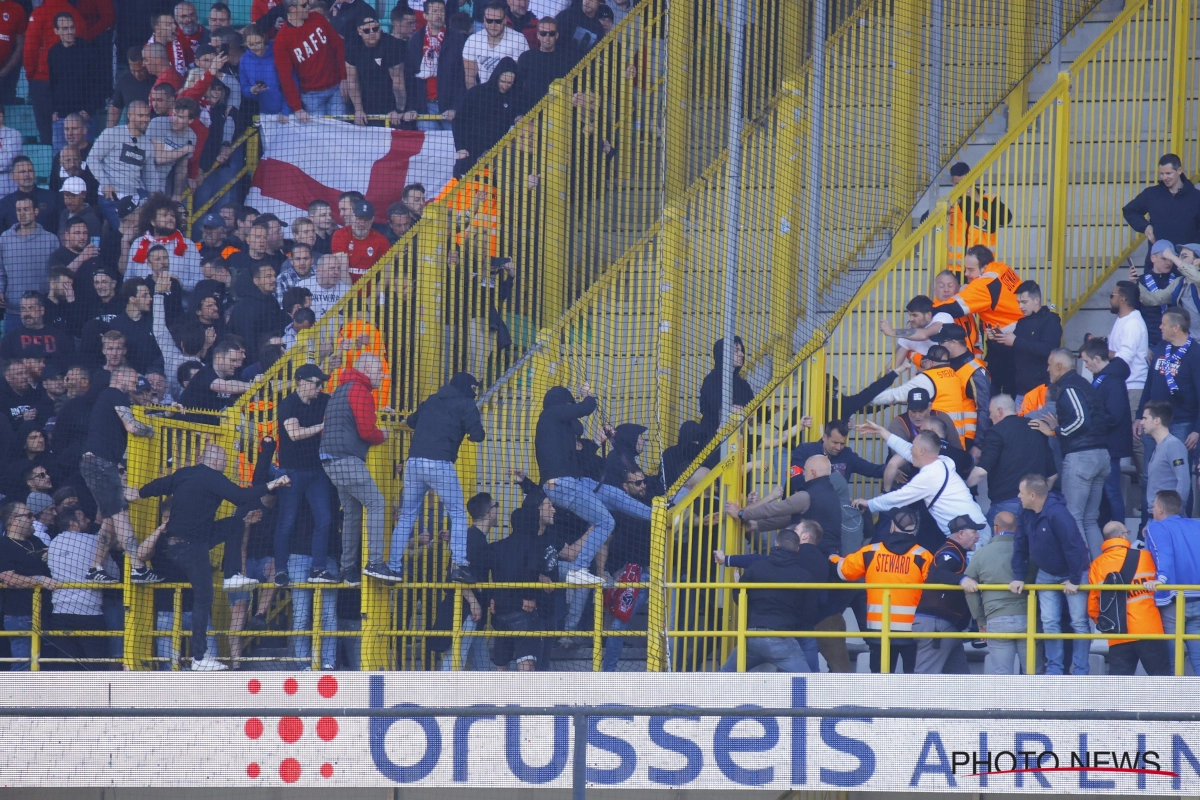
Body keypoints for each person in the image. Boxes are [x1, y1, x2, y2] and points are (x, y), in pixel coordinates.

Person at [137, 443, 290, 670]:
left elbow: (159, 485)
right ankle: (199, 658)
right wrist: (274, 483)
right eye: (225, 460)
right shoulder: (212, 476)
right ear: (216, 461)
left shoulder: (184, 474)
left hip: (185, 541)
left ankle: (232, 574)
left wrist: (137, 492)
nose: (227, 464)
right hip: (191, 545)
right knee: (204, 597)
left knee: (237, 523)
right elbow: (240, 496)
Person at [535, 383, 652, 584]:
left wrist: (600, 440)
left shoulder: (559, 434)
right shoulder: (550, 415)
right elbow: (585, 408)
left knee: (611, 494)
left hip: (576, 482)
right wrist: (587, 396)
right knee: (605, 522)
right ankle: (578, 569)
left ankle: (657, 515)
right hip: (562, 485)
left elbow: (581, 458)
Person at [392, 373, 484, 581]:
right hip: (440, 463)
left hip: (413, 463)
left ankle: (393, 566)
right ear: (465, 387)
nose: (475, 391)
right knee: (458, 513)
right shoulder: (466, 404)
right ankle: (459, 564)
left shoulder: (432, 400)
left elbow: (412, 421)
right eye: (473, 387)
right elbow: (478, 434)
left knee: (407, 515)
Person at [79, 365, 160, 584]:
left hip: (96, 464)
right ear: (121, 377)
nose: (135, 385)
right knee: (121, 515)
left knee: (110, 520)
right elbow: (132, 426)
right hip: (100, 464)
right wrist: (153, 431)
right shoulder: (114, 393)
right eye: (133, 381)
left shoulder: (111, 397)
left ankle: (95, 568)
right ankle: (138, 567)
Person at [321, 353, 393, 583]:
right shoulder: (360, 391)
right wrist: (384, 435)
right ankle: (375, 562)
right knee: (377, 503)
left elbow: (350, 421)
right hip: (347, 459)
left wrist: (380, 412)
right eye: (378, 370)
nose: (383, 376)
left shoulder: (342, 390)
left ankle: (348, 568)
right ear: (366, 369)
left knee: (352, 512)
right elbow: (366, 430)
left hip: (330, 460)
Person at [1031, 348, 1111, 557]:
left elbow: (1081, 420)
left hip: (1082, 457)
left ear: (1059, 366)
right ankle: (1099, 572)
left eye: (1049, 365)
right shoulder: (1084, 384)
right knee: (1090, 519)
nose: (1047, 369)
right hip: (1100, 455)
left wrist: (1056, 431)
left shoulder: (1069, 387)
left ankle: (1083, 574)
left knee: (1074, 517)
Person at [1010, 473, 1092, 675]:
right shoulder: (1024, 511)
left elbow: (1073, 547)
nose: (1018, 496)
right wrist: (1019, 575)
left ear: (1032, 496)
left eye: (1021, 493)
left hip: (1075, 572)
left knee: (1079, 622)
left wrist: (1074, 579)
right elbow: (1019, 544)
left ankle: (1081, 670)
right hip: (1046, 572)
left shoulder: (1058, 514)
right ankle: (1054, 669)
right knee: (1049, 622)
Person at [835, 506, 931, 673]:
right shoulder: (923, 556)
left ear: (892, 526)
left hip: (879, 630)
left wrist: (833, 557)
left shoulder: (871, 552)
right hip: (912, 631)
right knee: (916, 680)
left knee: (881, 681)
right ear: (914, 528)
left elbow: (845, 572)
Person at [717, 527, 820, 672]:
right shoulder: (803, 576)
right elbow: (808, 612)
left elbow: (741, 600)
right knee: (807, 682)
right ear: (797, 549)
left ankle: (712, 695)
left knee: (725, 675)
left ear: (776, 544)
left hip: (752, 636)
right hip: (781, 639)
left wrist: (737, 587)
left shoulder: (756, 567)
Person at [852, 427, 987, 536]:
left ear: (922, 451)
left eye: (914, 446)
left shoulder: (930, 476)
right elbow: (905, 449)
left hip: (972, 534)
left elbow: (898, 498)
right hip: (975, 529)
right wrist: (882, 431)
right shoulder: (942, 462)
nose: (911, 449)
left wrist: (869, 503)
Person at [273, 364, 337, 586]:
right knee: (287, 521)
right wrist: (322, 426)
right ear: (301, 381)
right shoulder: (288, 405)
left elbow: (345, 405)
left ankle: (318, 568)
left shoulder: (324, 400)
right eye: (316, 383)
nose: (320, 387)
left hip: (316, 469)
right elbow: (294, 434)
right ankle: (280, 570)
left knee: (325, 518)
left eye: (322, 383)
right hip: (292, 471)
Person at [1085, 520, 1169, 675]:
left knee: (1118, 689)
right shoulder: (1145, 557)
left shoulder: (1096, 565)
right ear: (1122, 536)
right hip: (1149, 630)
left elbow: (1093, 606)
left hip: (1118, 634)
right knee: (1162, 682)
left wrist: (1107, 624)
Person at [1137, 306, 1200, 500]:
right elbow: (1149, 383)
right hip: (1155, 421)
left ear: (1176, 327)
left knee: (1179, 478)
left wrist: (1197, 429)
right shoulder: (1161, 347)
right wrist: (1140, 415)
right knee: (1149, 475)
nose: (1159, 327)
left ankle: (1179, 524)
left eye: (1164, 324)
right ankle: (1147, 524)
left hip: (1182, 423)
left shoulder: (1195, 353)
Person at [942, 246, 1024, 395]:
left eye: (971, 270)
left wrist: (930, 309)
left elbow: (954, 307)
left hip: (1007, 343)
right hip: (1012, 337)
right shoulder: (1001, 267)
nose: (966, 273)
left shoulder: (985, 284)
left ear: (984, 267)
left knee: (1002, 391)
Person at [962, 510, 1034, 674]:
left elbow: (969, 589)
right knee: (1033, 674)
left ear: (995, 528)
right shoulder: (1029, 552)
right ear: (1016, 528)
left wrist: (980, 621)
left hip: (997, 618)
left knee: (1002, 676)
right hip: (1028, 618)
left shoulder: (981, 554)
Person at [911, 514, 981, 674]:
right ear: (961, 534)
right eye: (974, 532)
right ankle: (915, 700)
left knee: (960, 679)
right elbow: (937, 573)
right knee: (925, 677)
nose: (977, 537)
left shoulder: (957, 552)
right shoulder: (949, 551)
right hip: (937, 624)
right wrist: (962, 579)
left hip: (947, 626)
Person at [47, 505, 115, 669]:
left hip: (60, 611)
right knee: (96, 664)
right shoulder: (93, 541)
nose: (89, 520)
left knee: (66, 663)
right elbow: (114, 574)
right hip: (89, 612)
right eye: (84, 518)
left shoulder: (53, 543)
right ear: (74, 523)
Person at [970, 394, 1055, 524]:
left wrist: (963, 486)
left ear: (999, 411)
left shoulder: (995, 432)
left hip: (1006, 506)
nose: (989, 417)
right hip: (1037, 504)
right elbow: (1053, 475)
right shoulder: (1036, 428)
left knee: (994, 541)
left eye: (990, 412)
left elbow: (981, 471)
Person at [869, 345, 973, 447]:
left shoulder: (928, 379)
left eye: (925, 362)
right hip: (956, 439)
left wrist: (864, 399)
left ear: (931, 362)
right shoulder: (954, 376)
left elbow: (894, 395)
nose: (922, 365)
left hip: (936, 439)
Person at [1144, 489, 1200, 674]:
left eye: (1153, 506)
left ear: (1160, 509)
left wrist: (1161, 579)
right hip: (1197, 597)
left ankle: (1173, 702)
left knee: (1172, 661)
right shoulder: (1196, 525)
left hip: (1174, 599)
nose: (1152, 510)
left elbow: (1163, 554)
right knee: (1198, 659)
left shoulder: (1157, 527)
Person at [1079, 337, 1133, 525]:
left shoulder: (1112, 381)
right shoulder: (1103, 379)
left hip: (1112, 445)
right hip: (1104, 444)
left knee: (1111, 491)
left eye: (1086, 361)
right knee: (1103, 492)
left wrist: (1090, 423)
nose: (1085, 366)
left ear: (1096, 359)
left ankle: (1119, 530)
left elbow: (1114, 415)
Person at [0, 501, 59, 669]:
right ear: (14, 520)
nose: (33, 519)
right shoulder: (3, 545)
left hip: (44, 612)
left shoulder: (35, 541)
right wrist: (39, 580)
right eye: (29, 515)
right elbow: (8, 578)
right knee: (24, 664)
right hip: (20, 615)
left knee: (46, 663)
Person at [1123, 153, 1200, 270]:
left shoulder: (1196, 197)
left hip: (1186, 263)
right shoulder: (1152, 194)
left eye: (1168, 173)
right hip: (1158, 263)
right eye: (1162, 174)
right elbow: (1129, 210)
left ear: (1179, 170)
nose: (1164, 177)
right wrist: (1145, 227)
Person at [401, 0, 467, 132]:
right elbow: (410, 77)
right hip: (425, 107)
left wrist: (456, 108)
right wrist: (412, 108)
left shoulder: (457, 39)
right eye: (435, 11)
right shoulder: (415, 40)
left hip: (450, 107)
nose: (439, 15)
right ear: (425, 15)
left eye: (442, 11)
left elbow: (462, 77)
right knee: (429, 149)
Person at [275, 0, 347, 121]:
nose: (308, 7)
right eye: (304, 5)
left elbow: (338, 46)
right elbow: (285, 77)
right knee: (319, 138)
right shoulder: (281, 40)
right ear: (292, 9)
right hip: (311, 96)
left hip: (336, 89)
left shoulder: (318, 18)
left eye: (308, 3)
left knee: (340, 133)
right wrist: (297, 108)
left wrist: (344, 78)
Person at [453, 56, 521, 177]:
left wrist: (518, 117)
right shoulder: (476, 93)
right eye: (502, 81)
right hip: (469, 152)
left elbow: (518, 115)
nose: (505, 85)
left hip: (496, 156)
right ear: (496, 77)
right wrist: (460, 147)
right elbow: (459, 121)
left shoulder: (515, 98)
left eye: (509, 83)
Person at [1107, 279, 1149, 472]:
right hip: (1125, 387)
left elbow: (1124, 358)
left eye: (1112, 296)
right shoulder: (1123, 320)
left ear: (1122, 299)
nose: (1110, 300)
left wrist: (1100, 352)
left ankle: (1147, 488)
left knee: (1136, 441)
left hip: (1134, 388)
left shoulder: (1132, 324)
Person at [90, 101, 151, 231]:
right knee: (128, 232)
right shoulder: (112, 134)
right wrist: (105, 183)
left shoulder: (148, 144)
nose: (145, 119)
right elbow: (92, 159)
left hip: (135, 199)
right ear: (130, 115)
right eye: (141, 115)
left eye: (147, 116)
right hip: (111, 198)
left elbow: (150, 175)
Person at [47, 14, 103, 154]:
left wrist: (89, 111)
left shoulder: (89, 49)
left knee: (85, 158)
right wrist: (53, 111)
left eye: (72, 27)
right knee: (59, 159)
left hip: (84, 117)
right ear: (56, 31)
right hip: (61, 118)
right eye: (65, 28)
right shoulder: (53, 53)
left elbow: (99, 83)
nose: (70, 31)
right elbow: (53, 84)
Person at [944, 161, 1011, 272]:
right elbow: (925, 221)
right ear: (952, 182)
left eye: (966, 182)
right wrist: (945, 209)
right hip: (955, 270)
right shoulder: (947, 202)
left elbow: (1006, 218)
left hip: (982, 269)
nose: (962, 187)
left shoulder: (989, 198)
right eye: (957, 184)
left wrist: (980, 200)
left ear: (973, 178)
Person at [0, 197, 61, 308]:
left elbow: (57, 274)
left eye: (26, 209)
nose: (22, 213)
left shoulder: (51, 239)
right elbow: (0, 272)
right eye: (19, 210)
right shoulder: (4, 239)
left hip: (43, 310)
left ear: (36, 211)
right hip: (13, 309)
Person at [345, 13, 405, 124]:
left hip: (391, 107)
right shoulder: (352, 47)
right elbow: (352, 81)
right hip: (366, 105)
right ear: (359, 31)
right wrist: (358, 110)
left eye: (375, 29)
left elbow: (398, 81)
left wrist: (399, 109)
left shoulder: (392, 45)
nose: (372, 33)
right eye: (367, 31)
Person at [228, 263, 290, 365]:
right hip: (250, 363)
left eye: (274, 276)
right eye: (268, 276)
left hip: (270, 359)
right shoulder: (246, 306)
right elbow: (248, 340)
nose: (274, 280)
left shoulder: (272, 301)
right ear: (256, 281)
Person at [1140, 401, 1191, 525]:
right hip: (1157, 517)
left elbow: (1183, 480)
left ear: (1157, 420)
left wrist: (1174, 513)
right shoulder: (1159, 447)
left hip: (1169, 518)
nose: (1141, 422)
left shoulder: (1173, 446)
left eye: (1145, 418)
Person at [697, 336, 753, 445]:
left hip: (739, 441)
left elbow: (754, 411)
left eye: (741, 351)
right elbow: (713, 406)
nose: (741, 354)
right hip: (714, 442)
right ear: (723, 353)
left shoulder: (743, 384)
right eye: (736, 351)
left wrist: (767, 411)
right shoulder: (711, 380)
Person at [178, 338, 254, 413]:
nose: (237, 365)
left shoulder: (232, 375)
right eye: (233, 360)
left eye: (237, 361)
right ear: (219, 358)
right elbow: (225, 386)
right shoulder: (205, 373)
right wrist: (253, 385)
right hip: (187, 423)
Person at [463, 3, 527, 88]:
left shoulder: (518, 40)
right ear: (484, 20)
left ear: (504, 20)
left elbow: (520, 77)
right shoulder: (472, 41)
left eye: (498, 21)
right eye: (489, 20)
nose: (493, 25)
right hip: (484, 95)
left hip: (510, 95)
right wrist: (475, 98)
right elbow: (470, 77)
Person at [0, 292, 74, 366]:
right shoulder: (11, 338)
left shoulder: (59, 336)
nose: (26, 313)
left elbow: (68, 363)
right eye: (23, 309)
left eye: (31, 308)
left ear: (42, 310)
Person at [516, 17, 573, 111]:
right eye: (543, 33)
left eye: (551, 34)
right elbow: (518, 87)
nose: (547, 37)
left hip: (558, 110)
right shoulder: (526, 57)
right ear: (538, 35)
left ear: (557, 35)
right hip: (530, 111)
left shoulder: (566, 59)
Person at [331, 199, 391, 283]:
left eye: (366, 220)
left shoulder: (381, 240)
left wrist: (373, 296)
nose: (362, 223)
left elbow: (387, 274)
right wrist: (351, 295)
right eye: (359, 218)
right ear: (352, 216)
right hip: (345, 292)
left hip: (371, 294)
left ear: (372, 219)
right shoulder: (340, 235)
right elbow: (342, 270)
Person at [297, 253, 350, 318]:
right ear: (319, 270)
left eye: (338, 268)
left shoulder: (347, 290)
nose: (336, 272)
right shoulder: (302, 287)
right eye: (331, 268)